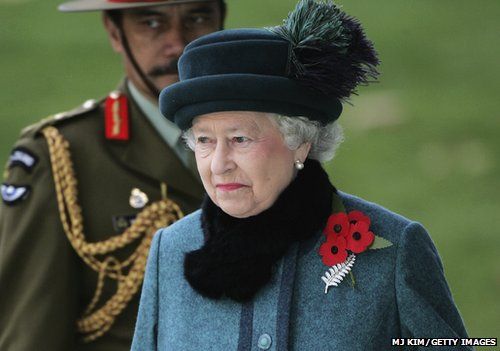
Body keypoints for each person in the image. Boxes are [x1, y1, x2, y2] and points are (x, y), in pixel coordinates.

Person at [131, 0, 471, 350]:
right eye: (204, 140)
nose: (219, 164)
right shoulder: (170, 249)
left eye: (240, 139)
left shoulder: (392, 249)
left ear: (300, 142)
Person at [0, 0, 225, 350]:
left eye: (197, 17)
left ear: (221, 22)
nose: (178, 43)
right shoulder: (62, 156)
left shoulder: (267, 142)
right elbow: (31, 335)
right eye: (151, 23)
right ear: (114, 32)